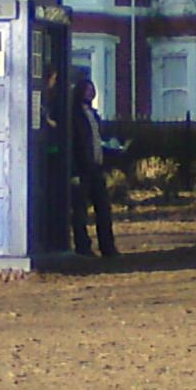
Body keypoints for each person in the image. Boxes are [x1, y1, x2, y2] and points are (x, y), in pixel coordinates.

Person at [71, 78, 118, 258]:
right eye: (87, 90)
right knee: (80, 211)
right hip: (83, 168)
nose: (90, 93)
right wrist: (74, 170)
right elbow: (74, 143)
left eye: (92, 89)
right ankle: (83, 247)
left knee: (104, 209)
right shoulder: (75, 116)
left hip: (96, 167)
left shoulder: (94, 115)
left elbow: (97, 141)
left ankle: (107, 246)